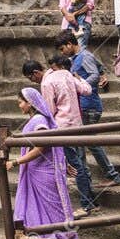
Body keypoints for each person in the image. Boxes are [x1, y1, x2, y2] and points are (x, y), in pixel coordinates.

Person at [2, 88, 82, 239]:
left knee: (54, 211)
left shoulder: (39, 120)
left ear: (29, 103)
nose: (19, 105)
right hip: (37, 171)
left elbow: (42, 147)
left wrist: (16, 162)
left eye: (21, 102)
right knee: (35, 210)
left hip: (43, 173)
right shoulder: (35, 119)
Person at [31, 54, 95, 219]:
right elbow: (87, 90)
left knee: (75, 166)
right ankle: (91, 201)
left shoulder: (47, 82)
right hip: (77, 125)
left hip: (62, 128)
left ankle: (86, 205)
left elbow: (50, 110)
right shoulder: (67, 74)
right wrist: (79, 78)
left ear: (36, 73)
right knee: (82, 164)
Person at [66, 32, 120, 197]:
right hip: (84, 106)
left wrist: (80, 83)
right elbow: (98, 68)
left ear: (70, 44)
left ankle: (106, 175)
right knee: (88, 142)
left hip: (89, 106)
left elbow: (94, 74)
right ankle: (91, 176)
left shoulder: (83, 56)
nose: (62, 52)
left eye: (63, 48)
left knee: (88, 142)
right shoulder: (78, 58)